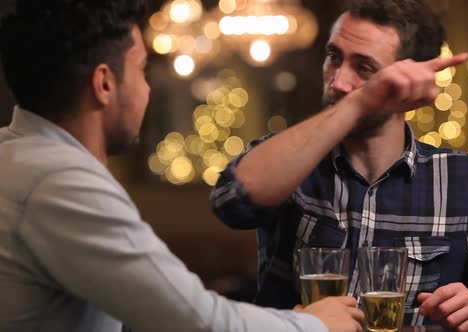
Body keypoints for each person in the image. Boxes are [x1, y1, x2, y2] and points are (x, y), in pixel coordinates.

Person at [211, 0, 468, 330]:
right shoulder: (290, 158)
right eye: (333, 57)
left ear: (410, 82)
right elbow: (231, 201)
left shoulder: (460, 180)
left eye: (365, 68)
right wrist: (360, 102)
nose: (339, 81)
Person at [0, 1, 366, 332]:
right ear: (104, 84)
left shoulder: (17, 156)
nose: (147, 89)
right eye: (142, 69)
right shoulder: (60, 181)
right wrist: (314, 325)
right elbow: (199, 322)